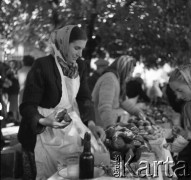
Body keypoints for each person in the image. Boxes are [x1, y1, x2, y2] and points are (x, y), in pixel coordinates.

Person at [18, 25, 106, 179]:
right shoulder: (43, 65)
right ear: (64, 43)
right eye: (76, 48)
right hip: (41, 131)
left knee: (71, 170)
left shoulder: (80, 66)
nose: (79, 54)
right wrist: (44, 120)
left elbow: (84, 98)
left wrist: (91, 123)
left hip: (67, 127)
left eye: (82, 49)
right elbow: (27, 106)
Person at [92, 55, 146, 129]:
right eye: (130, 71)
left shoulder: (116, 79)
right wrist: (110, 127)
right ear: (123, 69)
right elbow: (105, 106)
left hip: (107, 125)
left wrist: (138, 112)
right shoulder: (109, 79)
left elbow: (123, 100)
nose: (131, 75)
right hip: (102, 125)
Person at [167, 64, 191, 180]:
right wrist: (182, 133)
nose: (178, 96)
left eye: (180, 90)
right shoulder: (187, 107)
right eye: (175, 92)